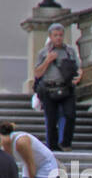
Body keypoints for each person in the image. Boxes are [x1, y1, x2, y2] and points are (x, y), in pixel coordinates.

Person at [33, 23, 82, 152]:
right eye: (55, 35)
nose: (58, 38)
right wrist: (47, 60)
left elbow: (78, 67)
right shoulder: (43, 53)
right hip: (49, 89)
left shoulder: (69, 51)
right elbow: (37, 73)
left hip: (66, 87)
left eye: (60, 35)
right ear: (50, 36)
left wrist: (79, 75)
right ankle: (52, 146)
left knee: (70, 115)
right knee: (51, 119)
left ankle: (65, 143)